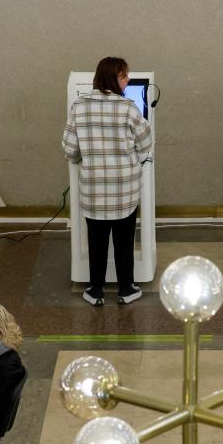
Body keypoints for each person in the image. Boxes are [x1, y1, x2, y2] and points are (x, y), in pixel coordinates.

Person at [62, 56, 153, 307]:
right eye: (125, 76)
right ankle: (126, 288)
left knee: (97, 239)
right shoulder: (128, 107)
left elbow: (70, 149)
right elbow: (146, 141)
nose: (128, 80)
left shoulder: (78, 107)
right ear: (115, 78)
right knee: (124, 240)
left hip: (93, 188)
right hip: (124, 188)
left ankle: (95, 290)